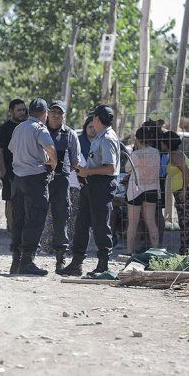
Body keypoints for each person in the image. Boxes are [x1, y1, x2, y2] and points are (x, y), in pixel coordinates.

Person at [58, 105, 120, 276]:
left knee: (101, 225)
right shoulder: (100, 137)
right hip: (91, 184)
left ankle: (103, 265)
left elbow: (110, 168)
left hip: (102, 185)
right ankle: (76, 263)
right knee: (81, 224)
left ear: (97, 120)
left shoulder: (107, 138)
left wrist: (87, 172)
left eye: (94, 118)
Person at [8, 98, 57, 275]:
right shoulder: (39, 129)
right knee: (34, 220)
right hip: (35, 179)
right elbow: (50, 148)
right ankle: (27, 261)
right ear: (44, 114)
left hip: (18, 179)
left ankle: (16, 261)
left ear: (29, 112)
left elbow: (12, 149)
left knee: (19, 220)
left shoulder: (19, 128)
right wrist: (53, 162)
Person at [38, 100, 81, 273]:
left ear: (64, 116)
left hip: (61, 180)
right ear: (47, 113)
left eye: (60, 113)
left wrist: (61, 172)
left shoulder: (70, 134)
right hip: (40, 178)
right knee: (36, 215)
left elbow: (75, 160)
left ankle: (60, 259)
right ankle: (29, 256)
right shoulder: (39, 130)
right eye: (53, 112)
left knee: (61, 218)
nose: (56, 116)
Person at [159, 131, 189, 254]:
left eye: (162, 143)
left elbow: (186, 172)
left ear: (167, 144)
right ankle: (185, 250)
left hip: (186, 191)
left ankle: (186, 251)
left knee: (186, 223)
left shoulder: (176, 155)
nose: (161, 145)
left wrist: (184, 191)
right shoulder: (172, 155)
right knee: (184, 222)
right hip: (182, 192)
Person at [124, 127, 161, 255]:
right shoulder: (156, 152)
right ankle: (156, 250)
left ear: (138, 139)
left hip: (135, 190)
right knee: (151, 222)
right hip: (152, 189)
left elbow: (128, 169)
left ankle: (129, 251)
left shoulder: (135, 154)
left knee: (133, 223)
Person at [0, 99, 27, 235]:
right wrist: (3, 171)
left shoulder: (28, 127)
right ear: (11, 111)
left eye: (24, 110)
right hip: (10, 170)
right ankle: (12, 227)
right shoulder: (3, 129)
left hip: (26, 170)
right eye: (19, 110)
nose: (22, 113)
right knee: (11, 200)